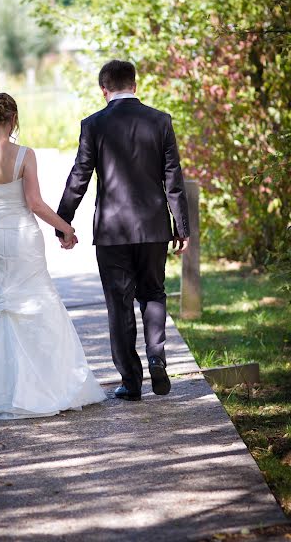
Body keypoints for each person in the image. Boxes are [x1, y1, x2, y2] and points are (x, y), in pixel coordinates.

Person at [0, 92, 106, 420]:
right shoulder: (25, 154)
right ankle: (43, 388)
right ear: (14, 119)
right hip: (23, 238)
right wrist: (65, 228)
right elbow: (35, 203)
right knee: (35, 302)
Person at [56, 60, 190, 402]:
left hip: (112, 231)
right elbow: (172, 177)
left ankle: (131, 382)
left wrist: (63, 221)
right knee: (153, 293)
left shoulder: (94, 124)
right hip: (154, 227)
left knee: (119, 304)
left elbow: (79, 176)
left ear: (104, 89)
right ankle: (157, 355)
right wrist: (182, 226)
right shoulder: (160, 121)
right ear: (135, 84)